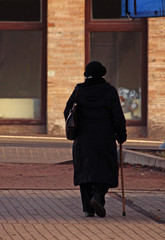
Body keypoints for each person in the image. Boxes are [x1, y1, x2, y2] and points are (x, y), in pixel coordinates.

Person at [64, 61, 127, 217]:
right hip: (104, 138)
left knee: (85, 171)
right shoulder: (110, 91)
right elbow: (117, 116)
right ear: (102, 74)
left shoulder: (79, 90)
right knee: (105, 168)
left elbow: (67, 111)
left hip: (83, 138)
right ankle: (98, 196)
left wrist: (77, 128)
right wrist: (121, 134)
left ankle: (88, 208)